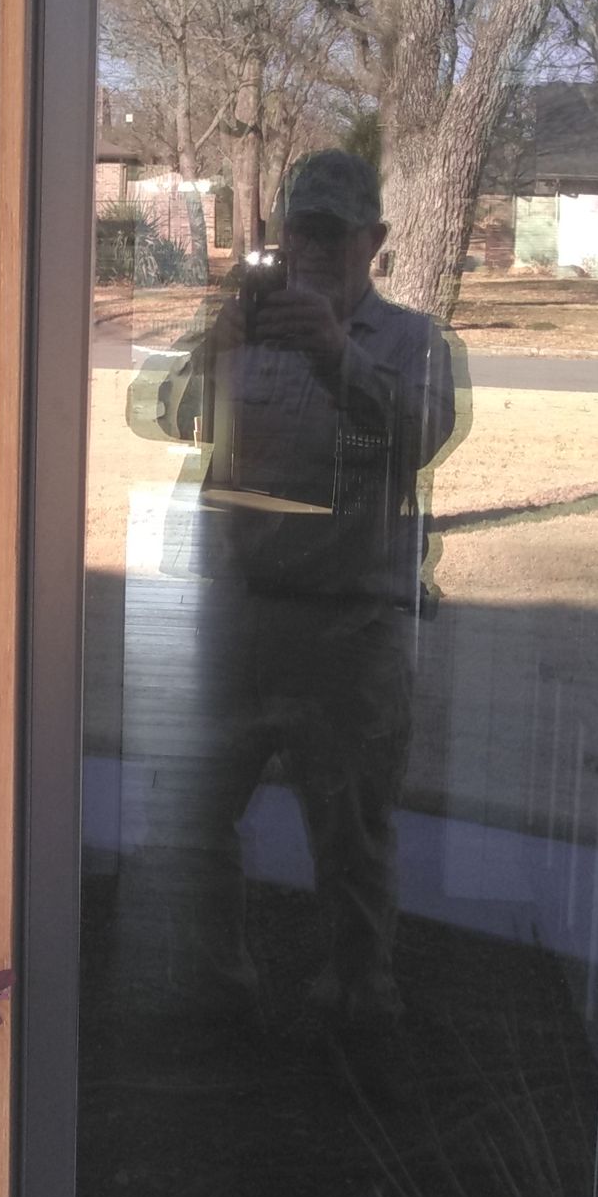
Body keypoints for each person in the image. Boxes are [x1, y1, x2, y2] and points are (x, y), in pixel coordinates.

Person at [127, 148, 460, 1030]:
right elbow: (150, 415)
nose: (310, 249)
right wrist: (213, 340)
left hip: (349, 633)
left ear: (373, 241)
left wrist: (334, 354)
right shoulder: (243, 329)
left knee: (352, 834)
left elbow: (421, 436)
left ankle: (356, 998)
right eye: (297, 230)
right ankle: (215, 983)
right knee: (193, 815)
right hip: (235, 618)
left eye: (330, 232)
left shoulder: (412, 340)